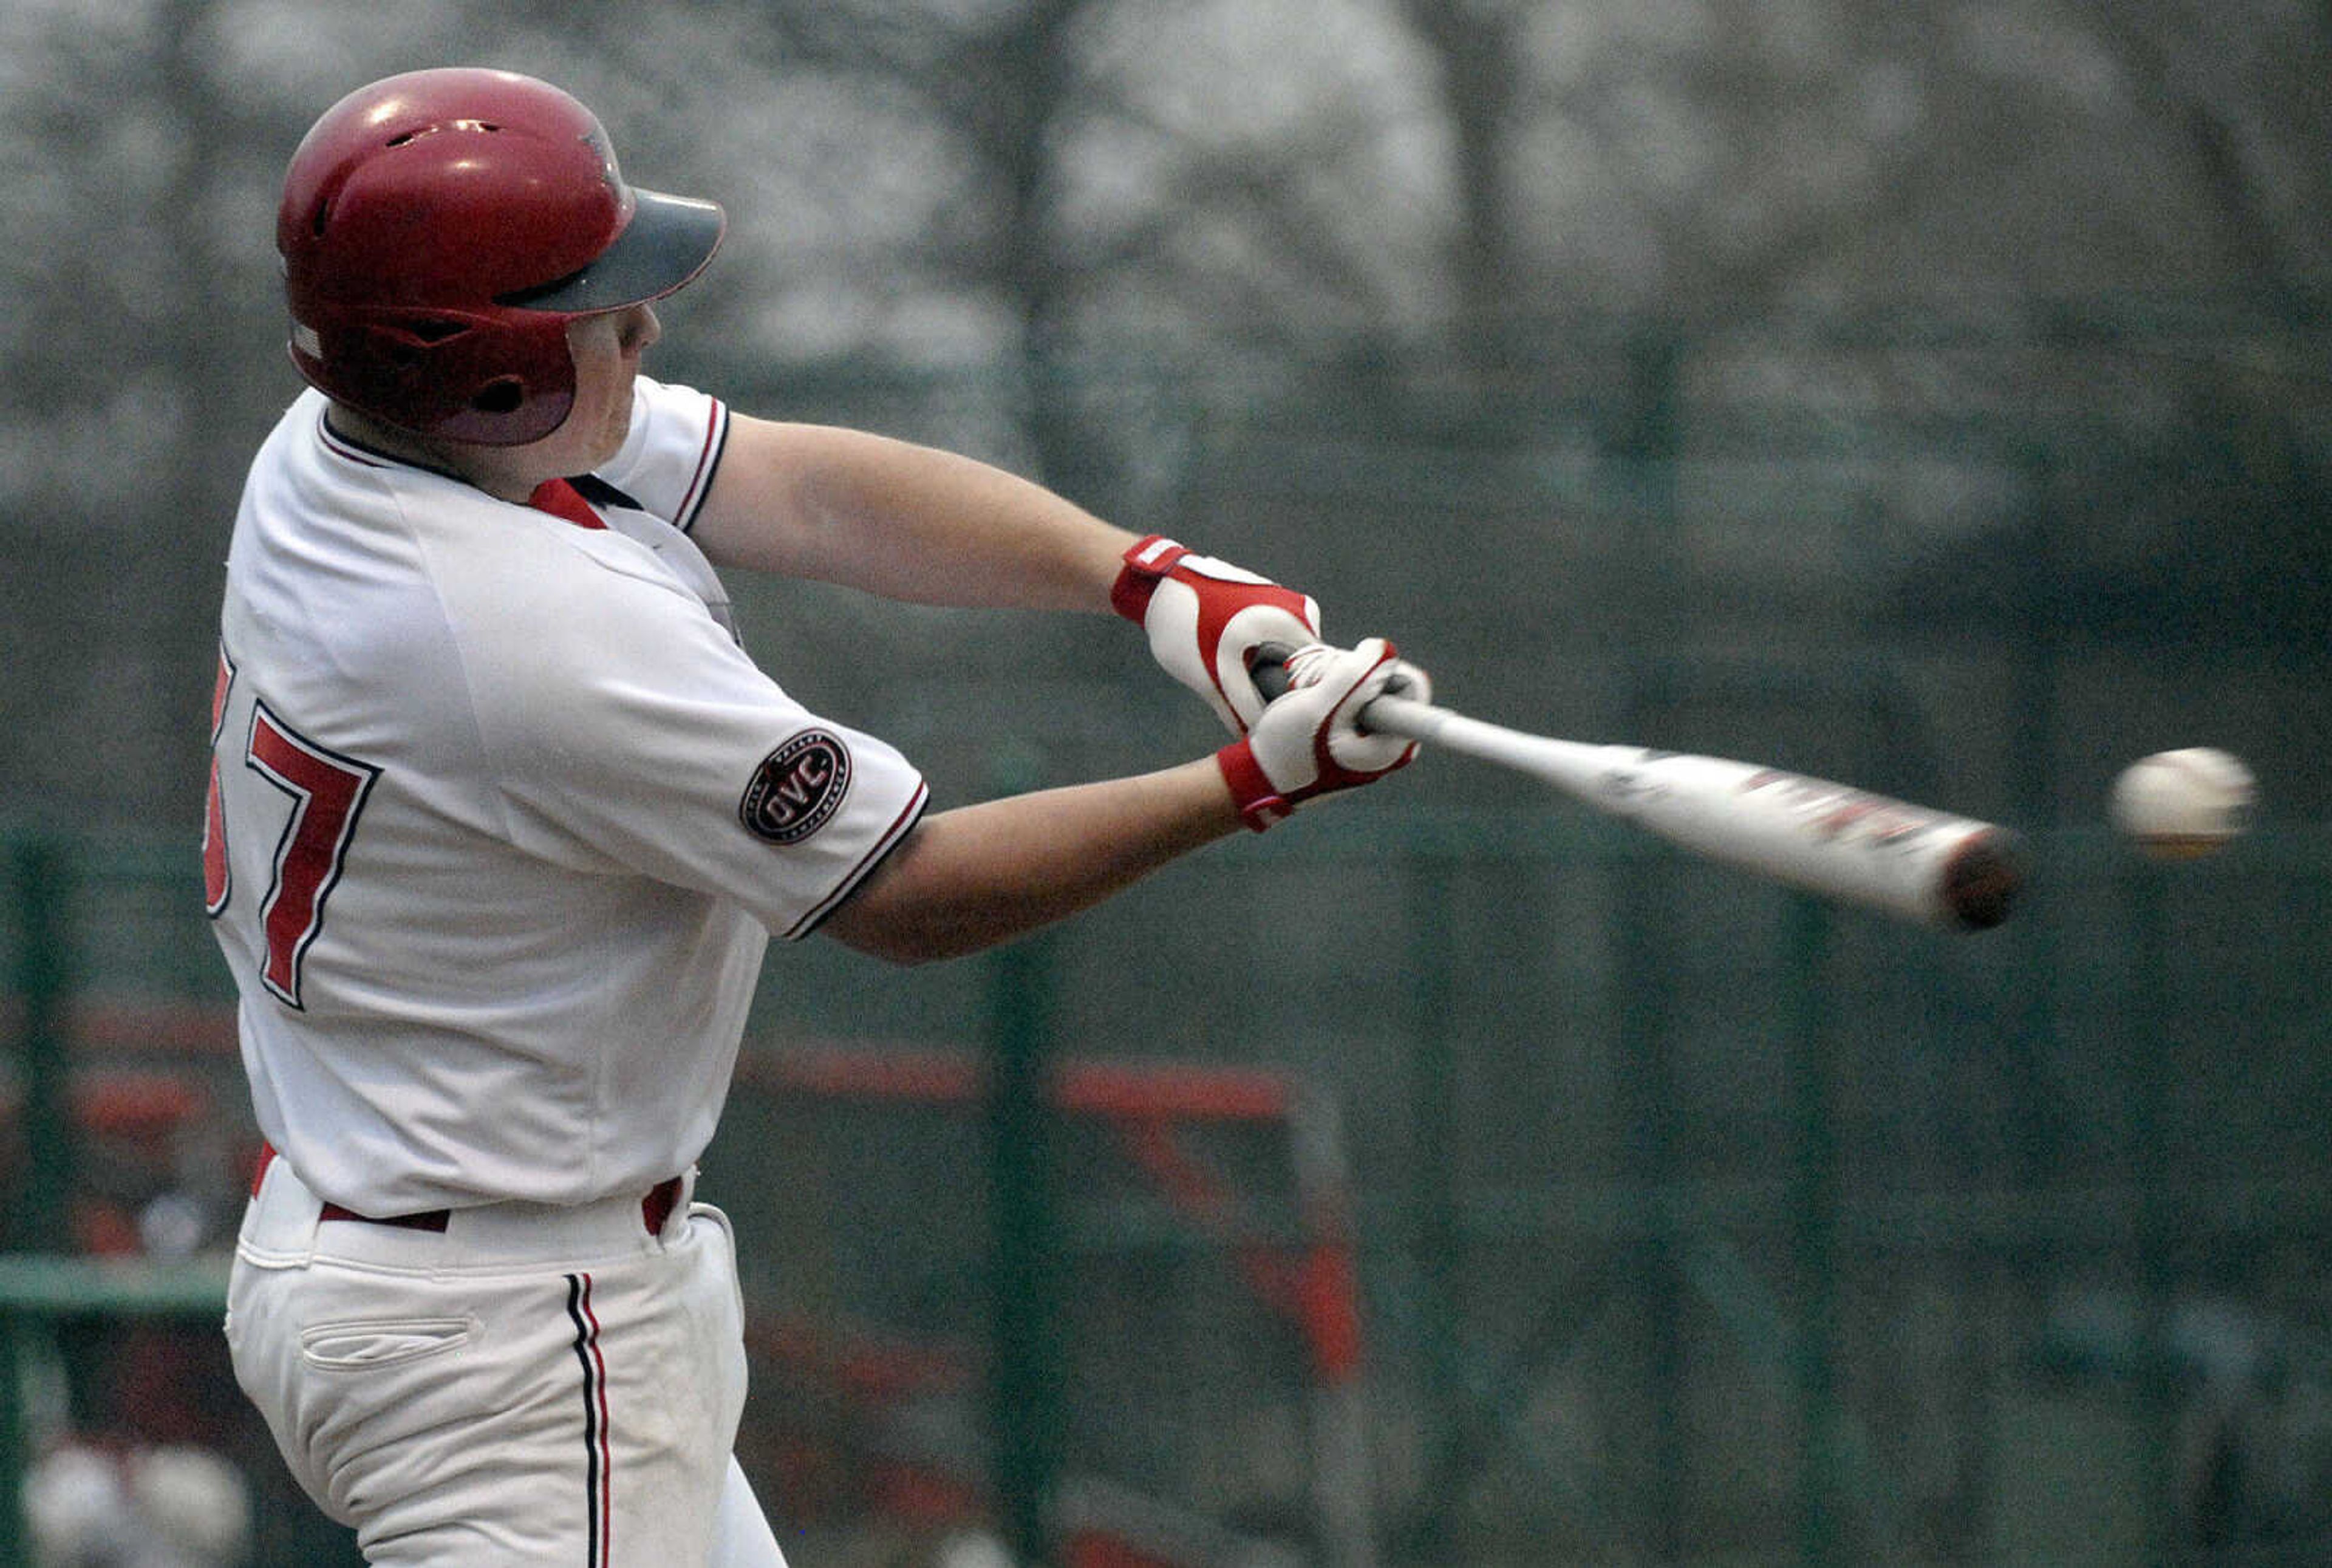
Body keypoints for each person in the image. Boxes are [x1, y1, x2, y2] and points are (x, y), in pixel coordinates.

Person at [204, 66, 1428, 1567]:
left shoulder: (347, 446)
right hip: (510, 1348)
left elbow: (801, 491)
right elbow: (908, 891)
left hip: (416, 1266)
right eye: (595, 305)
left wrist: (1151, 579)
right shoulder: (527, 629)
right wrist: (1248, 785)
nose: (643, 325)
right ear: (492, 370)